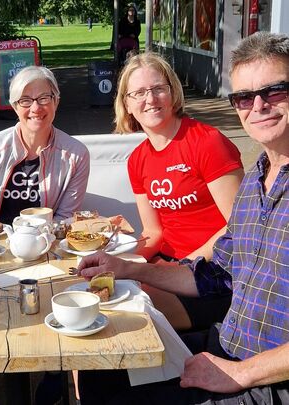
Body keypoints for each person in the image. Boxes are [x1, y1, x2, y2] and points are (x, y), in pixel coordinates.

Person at [76, 31, 289, 404]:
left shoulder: (205, 142)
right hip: (230, 339)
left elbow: (215, 252)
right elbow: (214, 272)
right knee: (100, 375)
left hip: (263, 373)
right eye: (242, 97)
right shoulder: (259, 179)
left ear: (173, 92)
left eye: (275, 91)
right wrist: (128, 268)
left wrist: (240, 373)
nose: (258, 106)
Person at [114, 51, 244, 331]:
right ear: (126, 104)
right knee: (97, 293)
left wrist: (181, 264)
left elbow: (240, 225)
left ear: (173, 92)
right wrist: (120, 259)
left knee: (125, 316)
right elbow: (154, 232)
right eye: (138, 93)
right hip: (170, 266)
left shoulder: (207, 142)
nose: (150, 99)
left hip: (215, 269)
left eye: (158, 88)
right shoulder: (138, 159)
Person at [0, 65, 90, 230]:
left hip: (46, 242)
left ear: (56, 101)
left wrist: (34, 242)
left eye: (44, 98)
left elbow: (66, 217)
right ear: (15, 107)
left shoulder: (76, 155)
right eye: (25, 100)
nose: (35, 108)